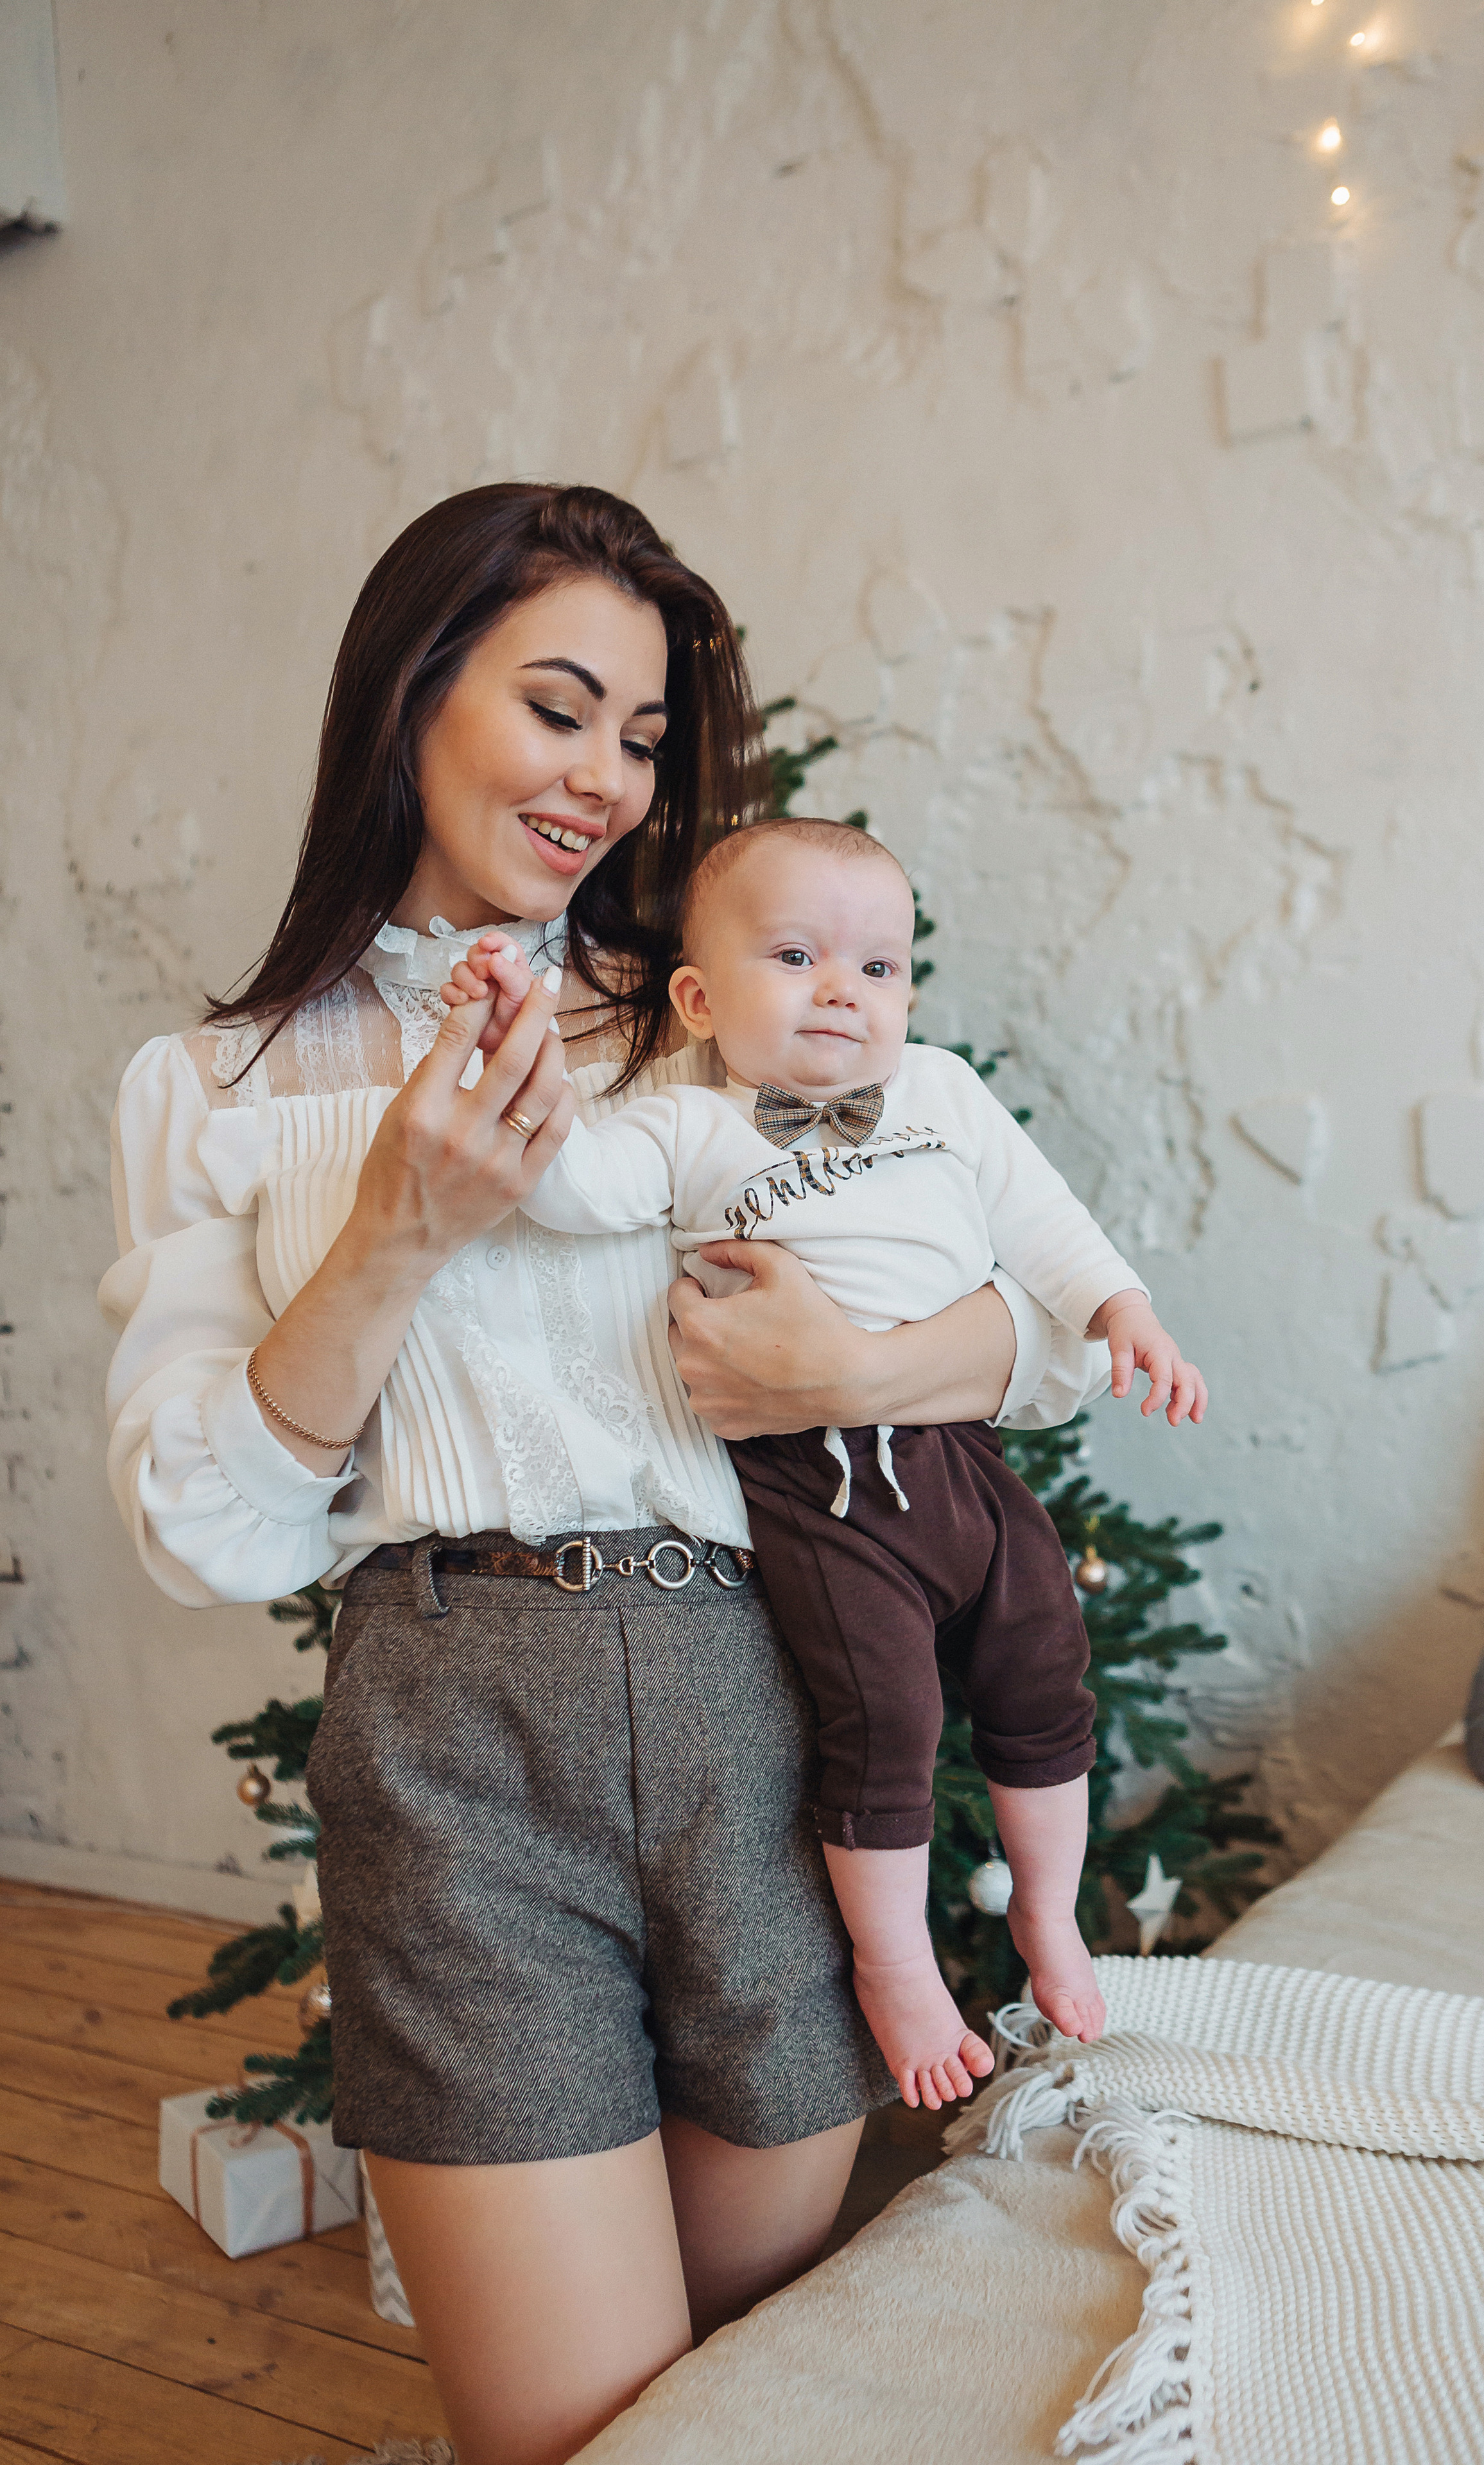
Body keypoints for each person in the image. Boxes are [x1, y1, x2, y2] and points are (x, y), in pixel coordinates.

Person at [99, 482, 1126, 2465]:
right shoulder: (218, 1089)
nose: (603, 781)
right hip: (460, 1748)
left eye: (644, 739)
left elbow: (1065, 1335)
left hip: (778, 1720)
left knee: (743, 2396)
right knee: (577, 2431)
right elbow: (205, 1532)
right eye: (558, 709)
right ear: (409, 694)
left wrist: (861, 1362)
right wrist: (398, 1221)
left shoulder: (719, 1017)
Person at [442, 817, 1207, 2112]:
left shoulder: (943, 1093)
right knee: (887, 1720)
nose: (844, 992)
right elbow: (564, 1189)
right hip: (818, 1491)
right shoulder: (685, 1125)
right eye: (795, 957)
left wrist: (1121, 1309)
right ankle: (898, 1967)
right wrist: (507, 1044)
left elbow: (1044, 1223)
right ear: (698, 996)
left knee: (1041, 1668)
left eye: (879, 968)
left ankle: (1049, 1918)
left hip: (957, 1455)